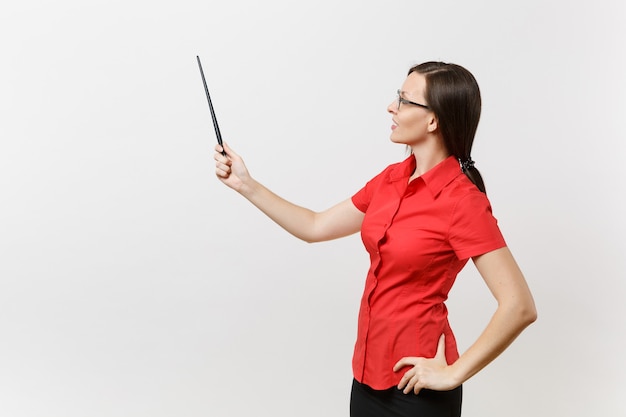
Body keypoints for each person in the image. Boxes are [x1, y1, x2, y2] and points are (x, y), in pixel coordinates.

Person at [213, 61, 537, 417]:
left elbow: (519, 305)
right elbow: (315, 226)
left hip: (417, 390)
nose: (391, 107)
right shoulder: (391, 179)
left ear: (433, 120)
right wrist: (247, 184)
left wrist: (454, 374)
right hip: (366, 379)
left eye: (404, 99)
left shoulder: (462, 201)